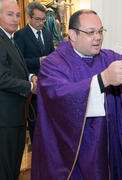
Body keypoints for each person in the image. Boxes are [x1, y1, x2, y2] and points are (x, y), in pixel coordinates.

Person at [31, 9, 122, 180]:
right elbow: (59, 98)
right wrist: (102, 80)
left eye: (100, 31)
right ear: (72, 34)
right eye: (91, 32)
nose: (98, 37)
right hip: (71, 152)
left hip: (104, 145)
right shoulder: (53, 64)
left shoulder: (107, 57)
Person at [0, 0, 37, 179]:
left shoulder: (9, 38)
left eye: (17, 15)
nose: (15, 19)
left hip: (16, 117)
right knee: (6, 170)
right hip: (5, 120)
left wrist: (30, 77)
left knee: (13, 168)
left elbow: (16, 68)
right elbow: (2, 78)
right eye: (9, 14)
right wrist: (30, 86)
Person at [14, 1, 55, 144]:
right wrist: (38, 61)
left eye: (43, 19)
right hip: (32, 87)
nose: (41, 22)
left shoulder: (47, 34)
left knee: (48, 126)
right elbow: (18, 62)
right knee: (35, 126)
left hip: (47, 86)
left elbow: (52, 57)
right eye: (38, 19)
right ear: (29, 17)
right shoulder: (20, 35)